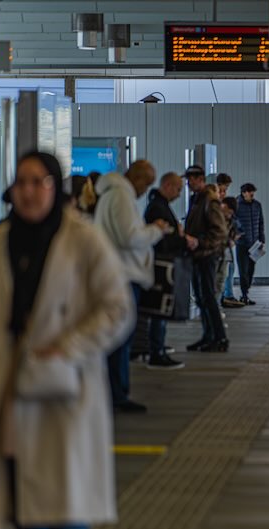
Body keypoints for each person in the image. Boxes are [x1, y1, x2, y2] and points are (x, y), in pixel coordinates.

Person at [0, 151, 132, 529]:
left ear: (54, 186)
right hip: (12, 391)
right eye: (22, 183)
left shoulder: (82, 239)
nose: (30, 191)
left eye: (40, 182)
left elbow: (117, 308)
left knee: (65, 509)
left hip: (65, 389)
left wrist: (67, 347)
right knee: (24, 509)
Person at [94, 160, 171, 413]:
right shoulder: (120, 196)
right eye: (146, 184)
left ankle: (115, 392)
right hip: (123, 275)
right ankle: (118, 395)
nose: (144, 191)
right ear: (136, 178)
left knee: (119, 336)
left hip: (116, 273)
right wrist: (156, 230)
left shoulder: (112, 195)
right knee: (121, 337)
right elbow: (130, 237)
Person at [144, 172, 197, 369]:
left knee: (161, 311)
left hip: (163, 261)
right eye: (177, 189)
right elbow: (163, 238)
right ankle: (156, 352)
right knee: (159, 310)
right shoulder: (157, 207)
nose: (178, 194)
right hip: (162, 263)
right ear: (167, 185)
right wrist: (183, 239)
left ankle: (158, 347)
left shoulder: (159, 205)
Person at [183, 165, 229, 352]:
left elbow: (220, 231)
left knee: (208, 297)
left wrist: (199, 242)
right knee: (202, 298)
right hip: (197, 256)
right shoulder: (196, 199)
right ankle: (208, 336)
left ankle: (219, 338)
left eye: (191, 179)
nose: (188, 183)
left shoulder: (210, 200)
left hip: (207, 256)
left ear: (200, 179)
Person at [235, 182, 265, 305]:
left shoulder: (257, 205)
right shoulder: (236, 205)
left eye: (253, 192)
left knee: (251, 270)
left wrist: (262, 240)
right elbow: (233, 222)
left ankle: (246, 292)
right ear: (244, 193)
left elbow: (261, 223)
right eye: (250, 192)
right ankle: (244, 294)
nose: (252, 194)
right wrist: (238, 233)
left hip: (255, 244)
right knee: (243, 271)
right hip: (242, 243)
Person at [217, 197, 243, 309]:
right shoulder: (215, 218)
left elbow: (236, 231)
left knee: (222, 278)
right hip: (214, 254)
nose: (229, 214)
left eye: (231, 212)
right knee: (216, 280)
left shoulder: (231, 221)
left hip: (224, 254)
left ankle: (217, 305)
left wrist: (232, 238)